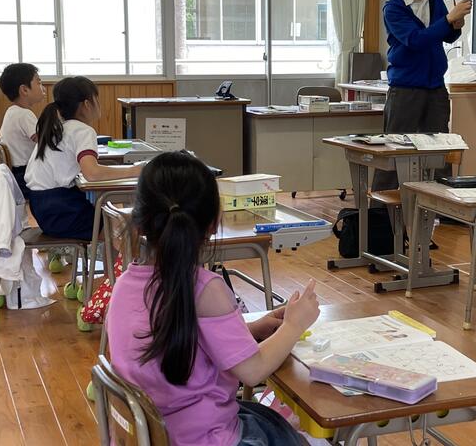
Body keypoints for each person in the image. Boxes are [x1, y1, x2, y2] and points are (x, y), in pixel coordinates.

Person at [107, 151, 320, 446]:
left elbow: (179, 340)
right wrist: (294, 325)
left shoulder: (124, 284)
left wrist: (250, 330)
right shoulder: (206, 288)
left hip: (155, 435)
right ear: (213, 223)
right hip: (208, 437)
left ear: (139, 220)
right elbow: (253, 371)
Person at [374, 0, 472, 191]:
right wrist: (448, 20)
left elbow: (446, 36)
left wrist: (456, 24)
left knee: (439, 150)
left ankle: (440, 204)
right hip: (405, 89)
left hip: (435, 87)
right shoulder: (393, 8)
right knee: (395, 149)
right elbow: (415, 40)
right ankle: (381, 208)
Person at [25, 76, 142, 240]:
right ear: (87, 104)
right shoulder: (82, 130)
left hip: (42, 207)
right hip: (61, 209)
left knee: (115, 224)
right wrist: (135, 170)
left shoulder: (56, 128)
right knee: (124, 228)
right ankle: (126, 258)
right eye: (97, 99)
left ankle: (112, 257)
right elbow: (92, 173)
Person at [0, 63, 45, 198]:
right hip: (26, 177)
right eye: (38, 82)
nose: (42, 87)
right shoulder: (24, 115)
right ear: (24, 90)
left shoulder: (12, 112)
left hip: (17, 174)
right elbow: (45, 141)